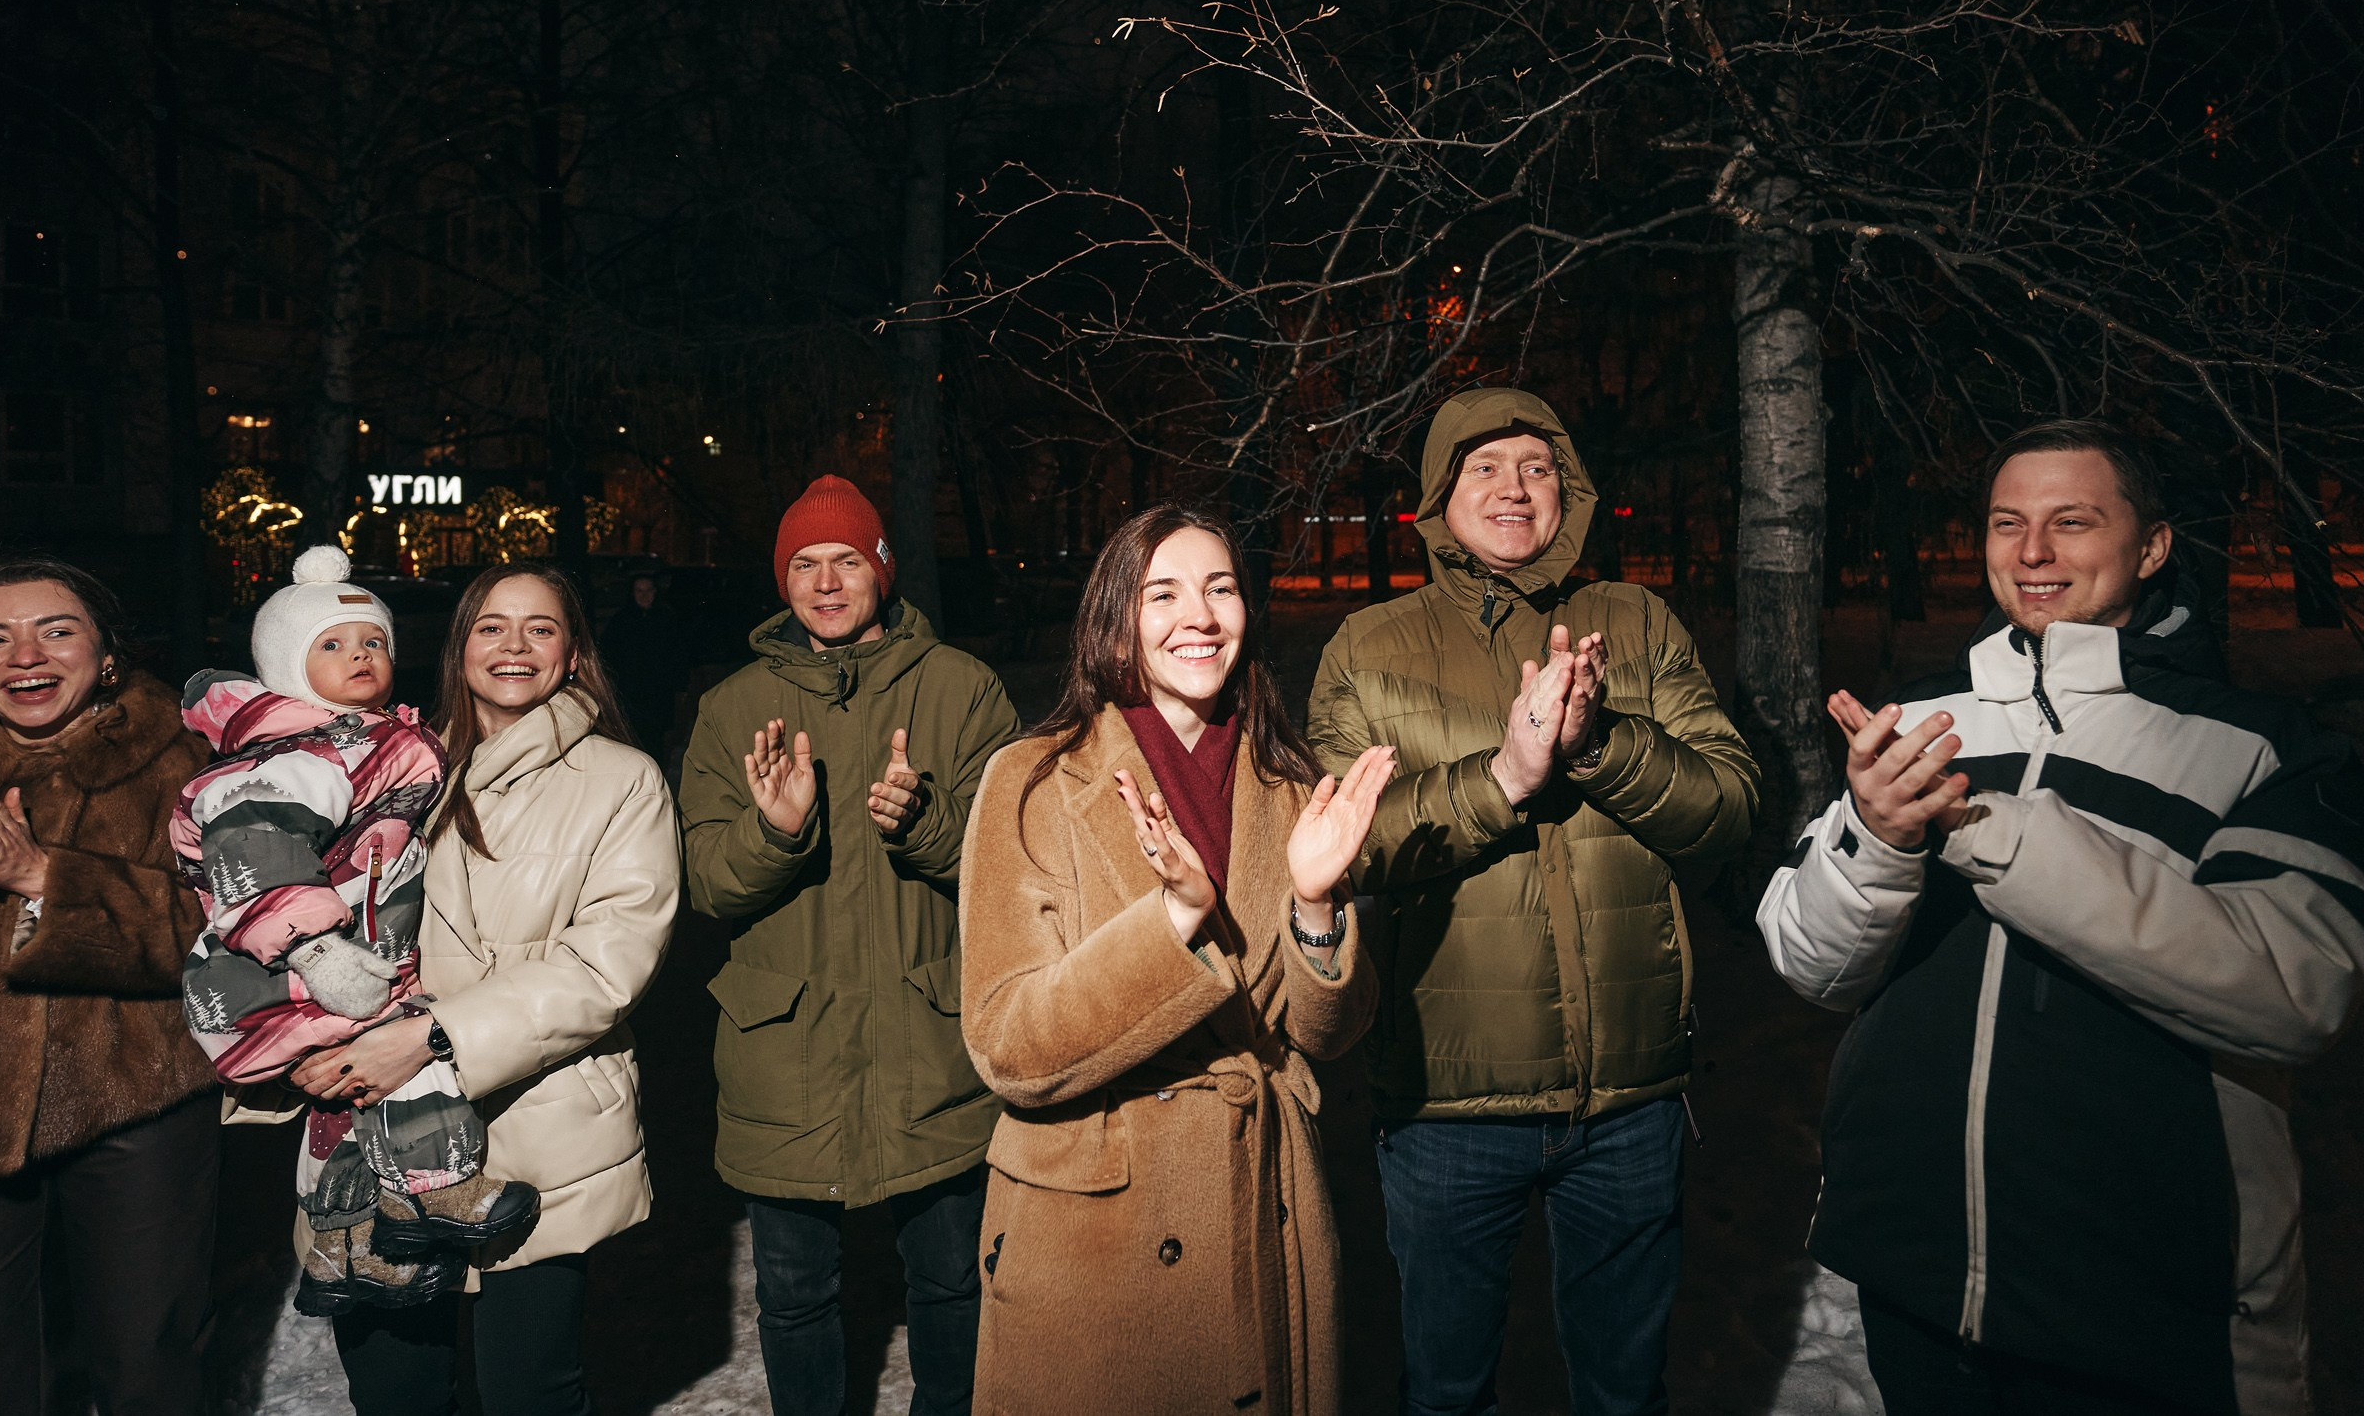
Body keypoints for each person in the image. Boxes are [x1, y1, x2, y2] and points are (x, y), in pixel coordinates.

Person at [1757, 419, 2364, 1416]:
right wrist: (1877, 838)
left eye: (2072, 522)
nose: (2032, 553)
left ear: (2152, 545)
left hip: (2139, 1301)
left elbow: (2301, 990)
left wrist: (1984, 830)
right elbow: (1808, 963)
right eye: (2007, 523)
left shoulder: (2260, 747)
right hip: (1911, 1275)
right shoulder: (1919, 717)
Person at [1306, 386, 1761, 1416]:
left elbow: (1726, 811)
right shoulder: (1367, 648)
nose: (1515, 488)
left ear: (1572, 490)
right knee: (1447, 1389)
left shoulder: (1636, 621)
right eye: (1484, 468)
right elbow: (1347, 849)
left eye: (1538, 467)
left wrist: (1600, 745)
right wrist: (1505, 776)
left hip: (1633, 1103)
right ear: (1436, 496)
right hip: (1445, 1112)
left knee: (1621, 1390)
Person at [960, 505, 1396, 1415]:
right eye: (1162, 592)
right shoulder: (1032, 781)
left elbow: (1330, 1033)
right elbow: (1007, 1041)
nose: (1197, 615)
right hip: (1094, 1250)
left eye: (1220, 588)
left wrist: (1317, 900)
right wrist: (1172, 922)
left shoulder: (1287, 787)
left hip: (1260, 1218)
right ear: (1115, 621)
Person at [292, 563, 681, 1416]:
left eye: (540, 627)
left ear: (573, 655)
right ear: (459, 648)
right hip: (375, 1122)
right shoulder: (388, 770)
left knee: (527, 1392)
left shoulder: (621, 780)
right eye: (490, 626)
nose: (513, 644)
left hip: (534, 1125)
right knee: (394, 1387)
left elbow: (607, 963)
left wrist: (431, 1038)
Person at [681, 474, 1020, 1416]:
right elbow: (707, 880)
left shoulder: (961, 687)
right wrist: (776, 832)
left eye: (846, 560)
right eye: (803, 564)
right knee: (794, 1295)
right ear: (780, 581)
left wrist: (925, 821)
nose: (826, 583)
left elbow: (1020, 865)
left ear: (883, 567)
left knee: (954, 1279)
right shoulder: (731, 706)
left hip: (932, 1042)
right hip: (783, 1053)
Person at [172, 544, 536, 1314]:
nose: (360, 655)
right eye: (331, 646)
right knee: (408, 1058)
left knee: (343, 1103)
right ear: (284, 666)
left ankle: (346, 1247)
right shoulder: (288, 755)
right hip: (291, 966)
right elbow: (254, 849)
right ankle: (440, 1189)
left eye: (373, 641)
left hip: (340, 957)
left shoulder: (363, 738)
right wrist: (313, 949)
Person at [0, 558, 219, 1416]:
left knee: (146, 1355)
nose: (23, 655)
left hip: (136, 1095)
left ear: (106, 655)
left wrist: (47, 878)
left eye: (55, 630)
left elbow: (212, 931)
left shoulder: (183, 758)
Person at [601, 570, 688, 762]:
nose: (644, 595)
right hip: (629, 696)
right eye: (639, 591)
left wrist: (680, 688)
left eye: (649, 590)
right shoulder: (621, 621)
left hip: (657, 696)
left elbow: (678, 656)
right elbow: (608, 657)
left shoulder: (666, 619)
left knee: (655, 745)